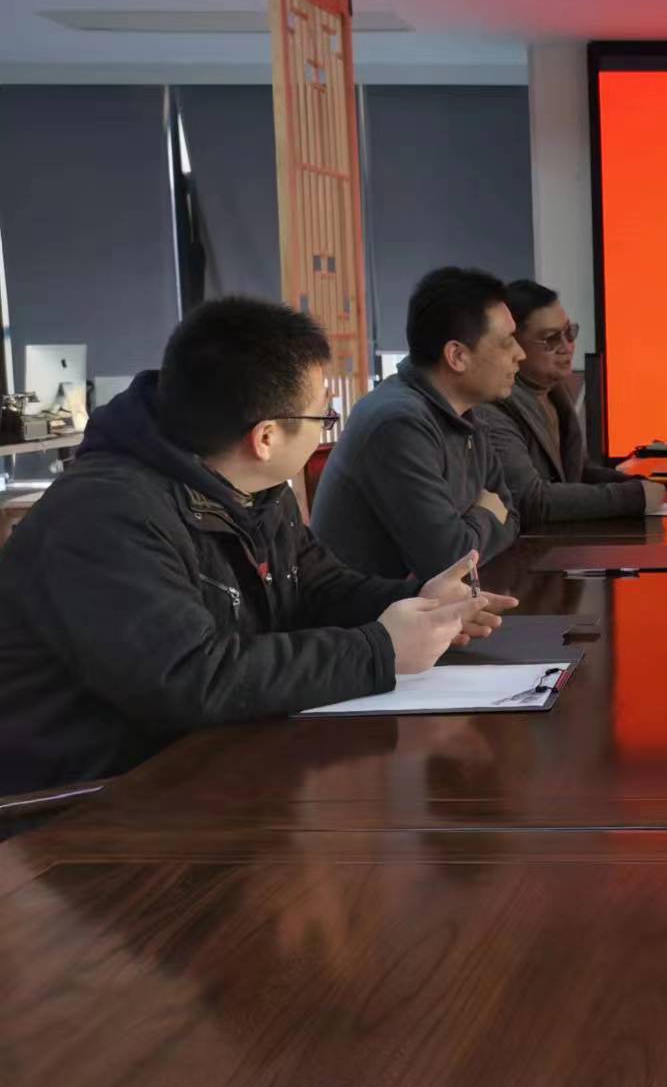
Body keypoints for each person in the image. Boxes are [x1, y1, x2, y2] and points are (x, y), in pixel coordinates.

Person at [0, 297, 516, 795]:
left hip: (213, 765)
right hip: (92, 804)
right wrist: (380, 650)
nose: (327, 431)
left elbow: (316, 588)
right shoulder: (105, 515)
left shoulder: (253, 486)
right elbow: (188, 678)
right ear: (265, 437)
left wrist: (421, 604)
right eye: (323, 418)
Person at [312, 267, 524, 579]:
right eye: (507, 342)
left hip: (433, 602)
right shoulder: (398, 423)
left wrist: (472, 525)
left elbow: (513, 514)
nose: (520, 354)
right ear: (457, 356)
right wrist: (485, 512)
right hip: (374, 609)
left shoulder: (466, 413)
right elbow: (449, 559)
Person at [472, 279, 665, 526]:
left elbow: (576, 473)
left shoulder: (554, 391)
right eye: (551, 339)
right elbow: (530, 500)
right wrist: (633, 496)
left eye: (569, 332)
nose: (567, 347)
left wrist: (636, 484)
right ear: (513, 343)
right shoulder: (493, 408)